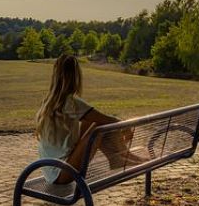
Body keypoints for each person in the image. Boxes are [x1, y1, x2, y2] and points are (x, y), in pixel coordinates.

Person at [36, 54, 146, 184]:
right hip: (63, 172)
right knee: (99, 126)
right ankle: (119, 158)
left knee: (92, 122)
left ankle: (121, 157)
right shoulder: (70, 102)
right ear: (76, 76)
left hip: (52, 171)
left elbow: (99, 119)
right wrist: (127, 126)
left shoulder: (49, 101)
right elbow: (108, 120)